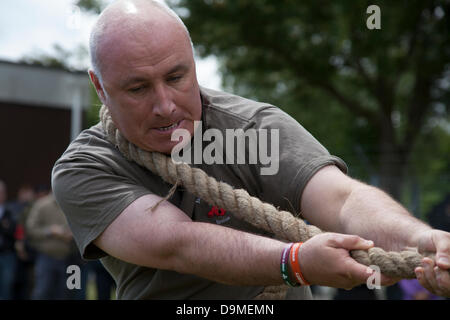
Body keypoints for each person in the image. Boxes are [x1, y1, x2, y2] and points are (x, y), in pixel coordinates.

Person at [51, 0, 450, 299]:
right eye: (138, 88)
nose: (165, 105)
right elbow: (177, 244)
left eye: (176, 77)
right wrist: (294, 262)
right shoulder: (85, 167)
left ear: (193, 64)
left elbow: (342, 198)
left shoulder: (253, 126)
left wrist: (419, 239)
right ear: (100, 87)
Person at [26, 192, 77, 299]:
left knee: (69, 293)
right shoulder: (42, 205)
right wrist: (50, 231)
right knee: (42, 292)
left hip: (70, 259)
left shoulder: (73, 204)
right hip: (46, 258)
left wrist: (74, 234)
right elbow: (31, 230)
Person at [0, 180, 17, 299]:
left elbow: (13, 231)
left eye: (2, 192)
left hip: (7, 254)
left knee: (6, 285)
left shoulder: (11, 211)